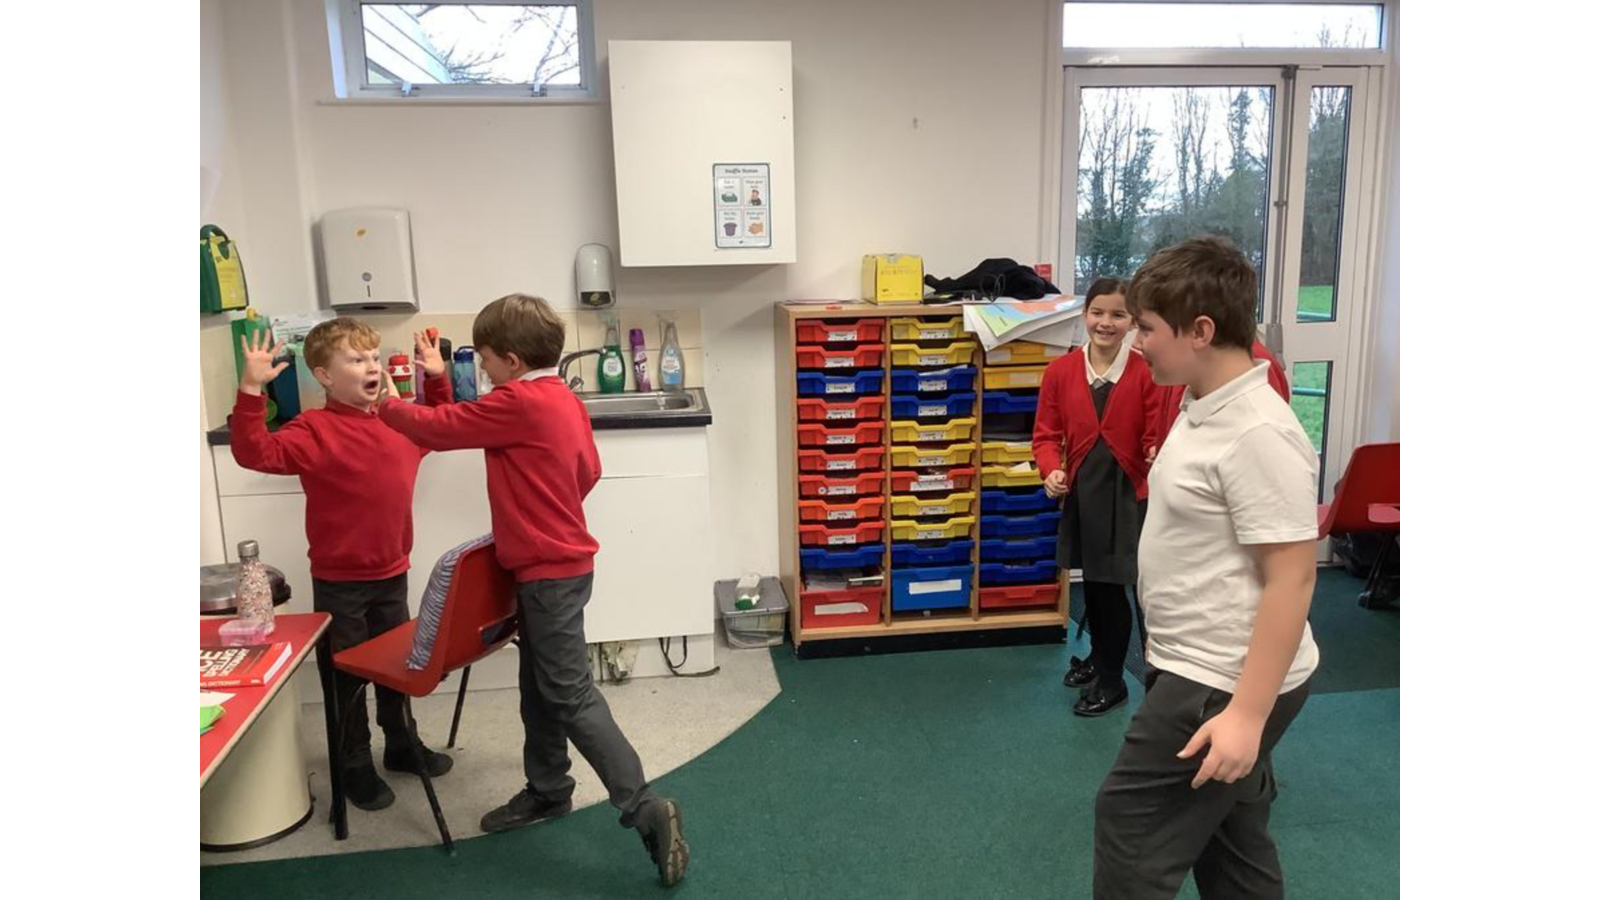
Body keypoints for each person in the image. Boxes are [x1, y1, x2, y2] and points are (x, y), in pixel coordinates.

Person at [376, 294, 690, 888]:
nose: (484, 368)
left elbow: (435, 429)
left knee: (569, 694)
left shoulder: (515, 401)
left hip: (546, 574)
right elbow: (588, 470)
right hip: (563, 566)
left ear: (512, 361)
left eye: (487, 359)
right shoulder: (559, 396)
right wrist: (439, 380)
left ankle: (643, 806)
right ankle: (549, 789)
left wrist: (385, 402)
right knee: (539, 686)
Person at [1095, 236, 1320, 899]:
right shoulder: (1201, 403)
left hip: (1217, 678)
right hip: (1196, 662)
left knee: (1129, 828)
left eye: (1146, 328)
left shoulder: (1258, 432)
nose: (1136, 342)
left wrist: (1246, 715)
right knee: (1232, 846)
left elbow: (1293, 577)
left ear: (1200, 331)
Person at [230, 318, 455, 812]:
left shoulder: (399, 420)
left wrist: (437, 377)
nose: (371, 366)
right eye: (356, 360)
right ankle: (353, 761)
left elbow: (442, 426)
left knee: (397, 665)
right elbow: (253, 452)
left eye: (373, 357)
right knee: (347, 677)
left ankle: (401, 743)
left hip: (392, 572)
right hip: (341, 582)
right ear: (325, 376)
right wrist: (250, 390)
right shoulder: (313, 430)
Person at [1032, 277, 1161, 717]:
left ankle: (1115, 680)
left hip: (1129, 495)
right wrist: (1051, 469)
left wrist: (1155, 451)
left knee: (1121, 589)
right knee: (1096, 586)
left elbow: (1156, 433)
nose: (1106, 323)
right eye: (1097, 312)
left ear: (1132, 321)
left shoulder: (1147, 371)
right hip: (1085, 491)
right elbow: (1045, 435)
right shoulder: (1061, 372)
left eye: (1118, 315)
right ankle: (1101, 660)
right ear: (1084, 314)